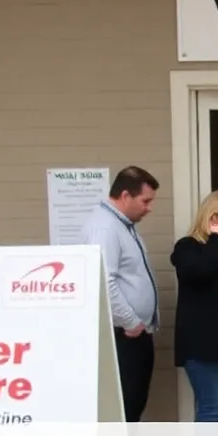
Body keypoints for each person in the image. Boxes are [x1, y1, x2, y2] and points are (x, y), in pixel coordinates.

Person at [80, 166, 161, 422]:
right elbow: (105, 280)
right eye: (145, 201)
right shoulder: (105, 228)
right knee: (125, 406)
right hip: (123, 335)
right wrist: (131, 322)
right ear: (125, 196)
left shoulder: (122, 225)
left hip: (134, 333)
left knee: (135, 403)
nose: (149, 208)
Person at [171, 189, 218, 424]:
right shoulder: (188, 247)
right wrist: (215, 238)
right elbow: (200, 271)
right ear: (213, 219)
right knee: (212, 406)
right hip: (203, 346)